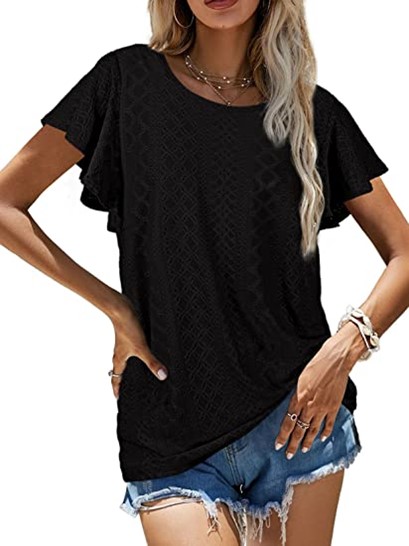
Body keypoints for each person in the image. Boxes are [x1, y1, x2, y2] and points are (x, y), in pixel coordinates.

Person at [1, 0, 408, 544]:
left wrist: (344, 351)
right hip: (168, 423)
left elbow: (404, 253)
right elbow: (6, 205)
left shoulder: (311, 113)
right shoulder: (124, 84)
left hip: (296, 419)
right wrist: (117, 310)